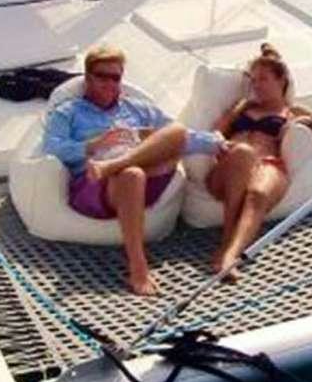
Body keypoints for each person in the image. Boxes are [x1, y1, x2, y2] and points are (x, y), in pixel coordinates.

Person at [39, 45, 218, 296]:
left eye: (116, 77)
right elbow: (51, 148)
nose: (110, 83)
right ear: (88, 77)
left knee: (174, 132)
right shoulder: (69, 112)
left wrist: (218, 143)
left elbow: (179, 136)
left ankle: (115, 164)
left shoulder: (138, 109)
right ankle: (138, 267)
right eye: (102, 76)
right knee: (131, 174)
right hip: (96, 187)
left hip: (143, 177)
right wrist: (94, 145)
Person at [205, 43, 312, 281]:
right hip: (230, 168)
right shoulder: (242, 108)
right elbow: (214, 133)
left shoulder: (294, 110)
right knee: (241, 153)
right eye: (253, 81)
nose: (256, 86)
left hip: (269, 164)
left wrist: (311, 123)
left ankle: (231, 255)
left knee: (259, 194)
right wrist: (235, 112)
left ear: (282, 81)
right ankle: (226, 240)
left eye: (263, 79)